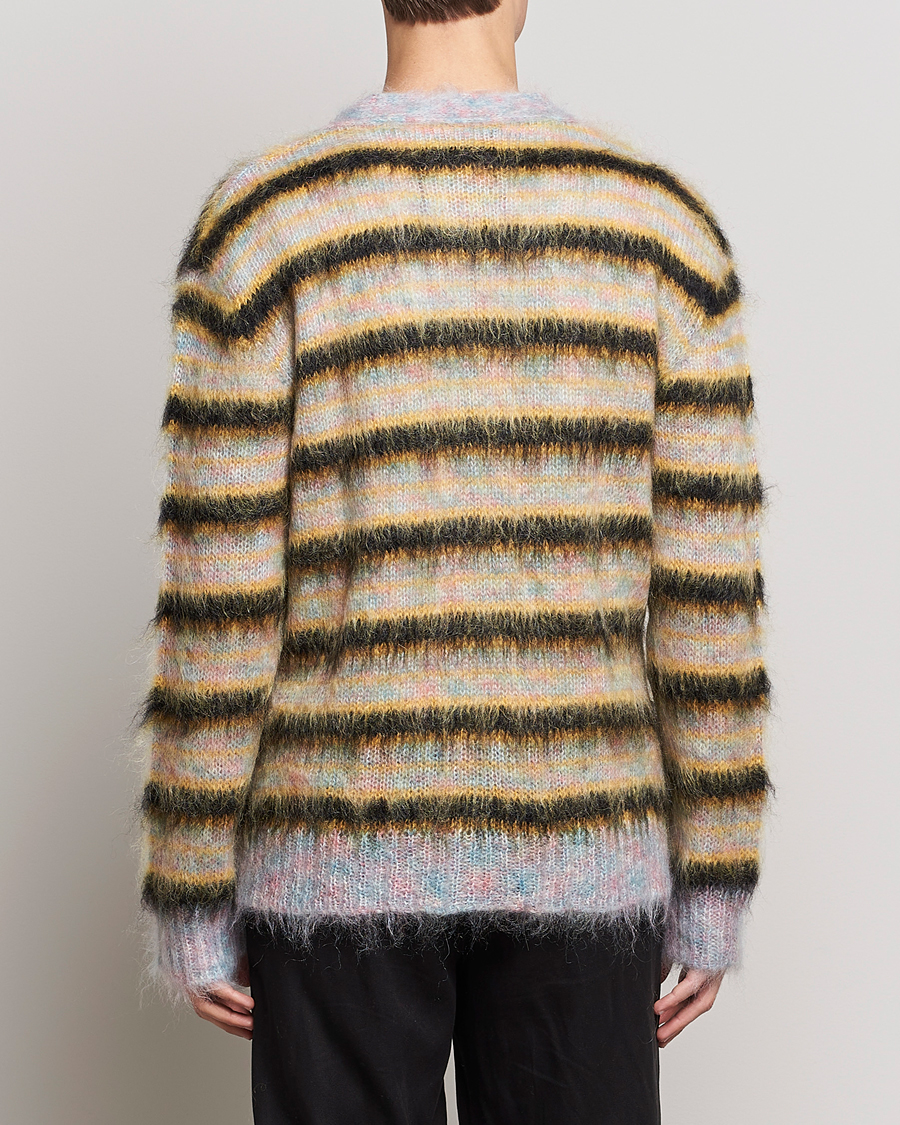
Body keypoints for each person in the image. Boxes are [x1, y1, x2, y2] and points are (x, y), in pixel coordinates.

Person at [137, 1, 772, 1120]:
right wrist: (714, 879)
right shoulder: (658, 228)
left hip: (332, 857)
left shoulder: (267, 225)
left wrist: (190, 887)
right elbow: (706, 596)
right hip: (587, 849)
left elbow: (220, 600)